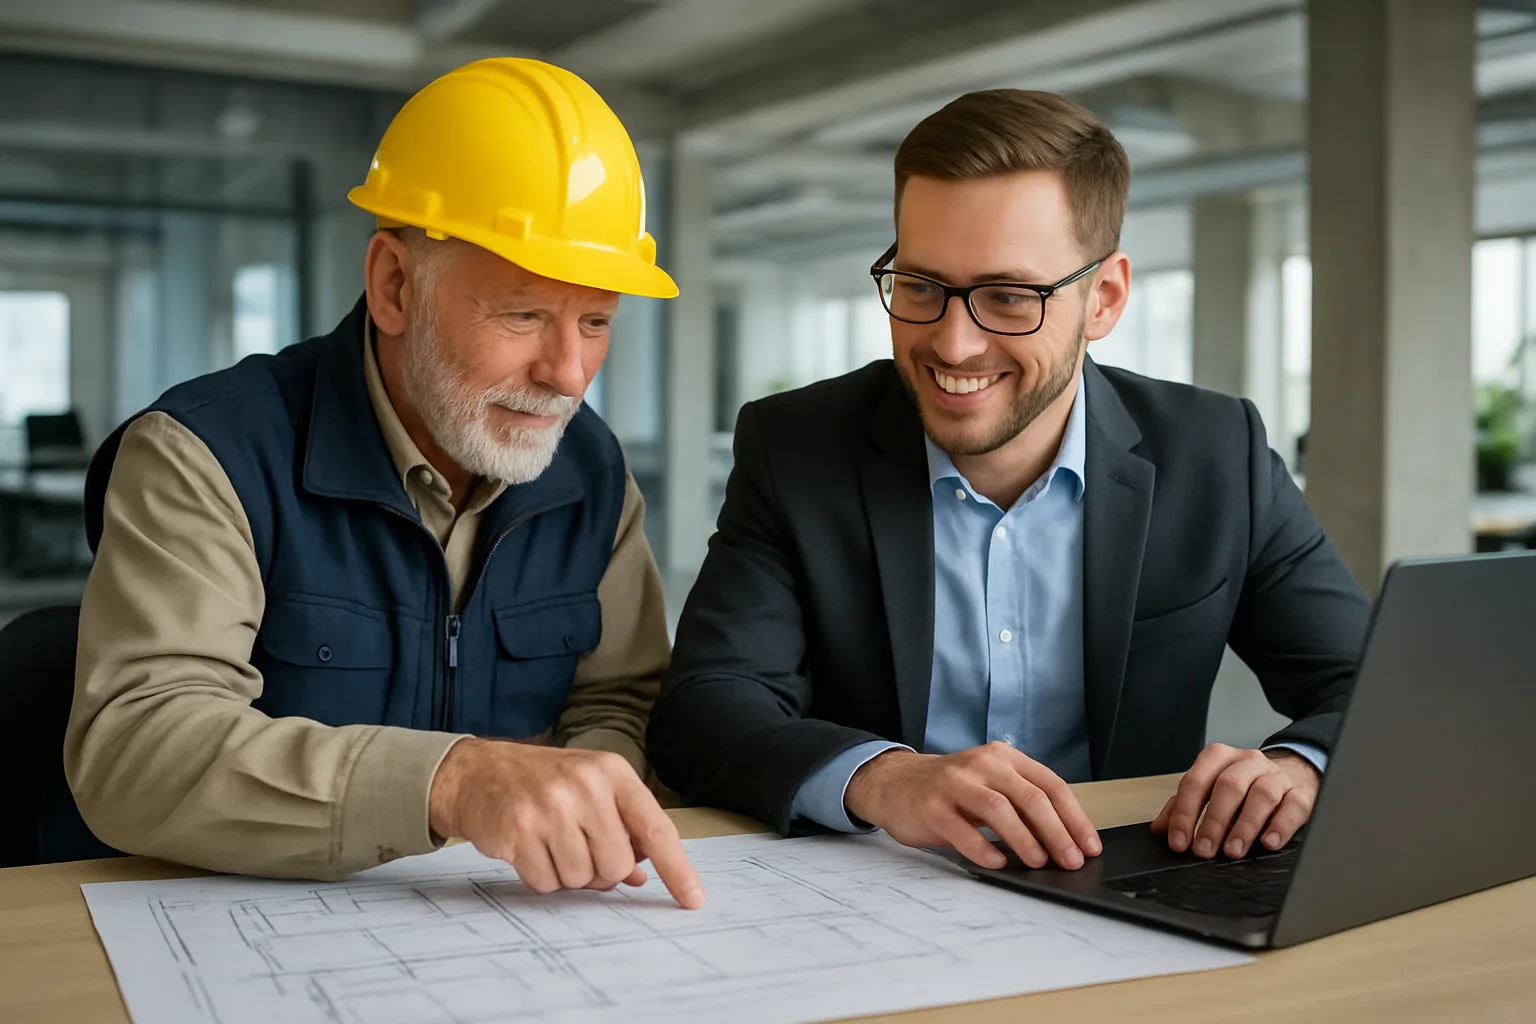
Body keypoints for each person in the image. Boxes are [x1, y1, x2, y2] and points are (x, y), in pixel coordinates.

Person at [649, 89, 1370, 874]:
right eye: (922, 286)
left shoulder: (1215, 453)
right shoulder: (797, 448)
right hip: (882, 884)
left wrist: (1301, 767)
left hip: (1136, 891)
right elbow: (705, 710)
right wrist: (886, 778)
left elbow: (1373, 684)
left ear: (1106, 298)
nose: (954, 344)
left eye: (1009, 297)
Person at [65, 58, 703, 907]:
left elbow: (621, 697)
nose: (569, 373)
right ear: (394, 285)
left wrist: (589, 793)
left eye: (596, 322)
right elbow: (137, 748)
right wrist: (453, 782)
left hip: (509, 925)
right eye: (523, 315)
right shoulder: (203, 454)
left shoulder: (591, 472)